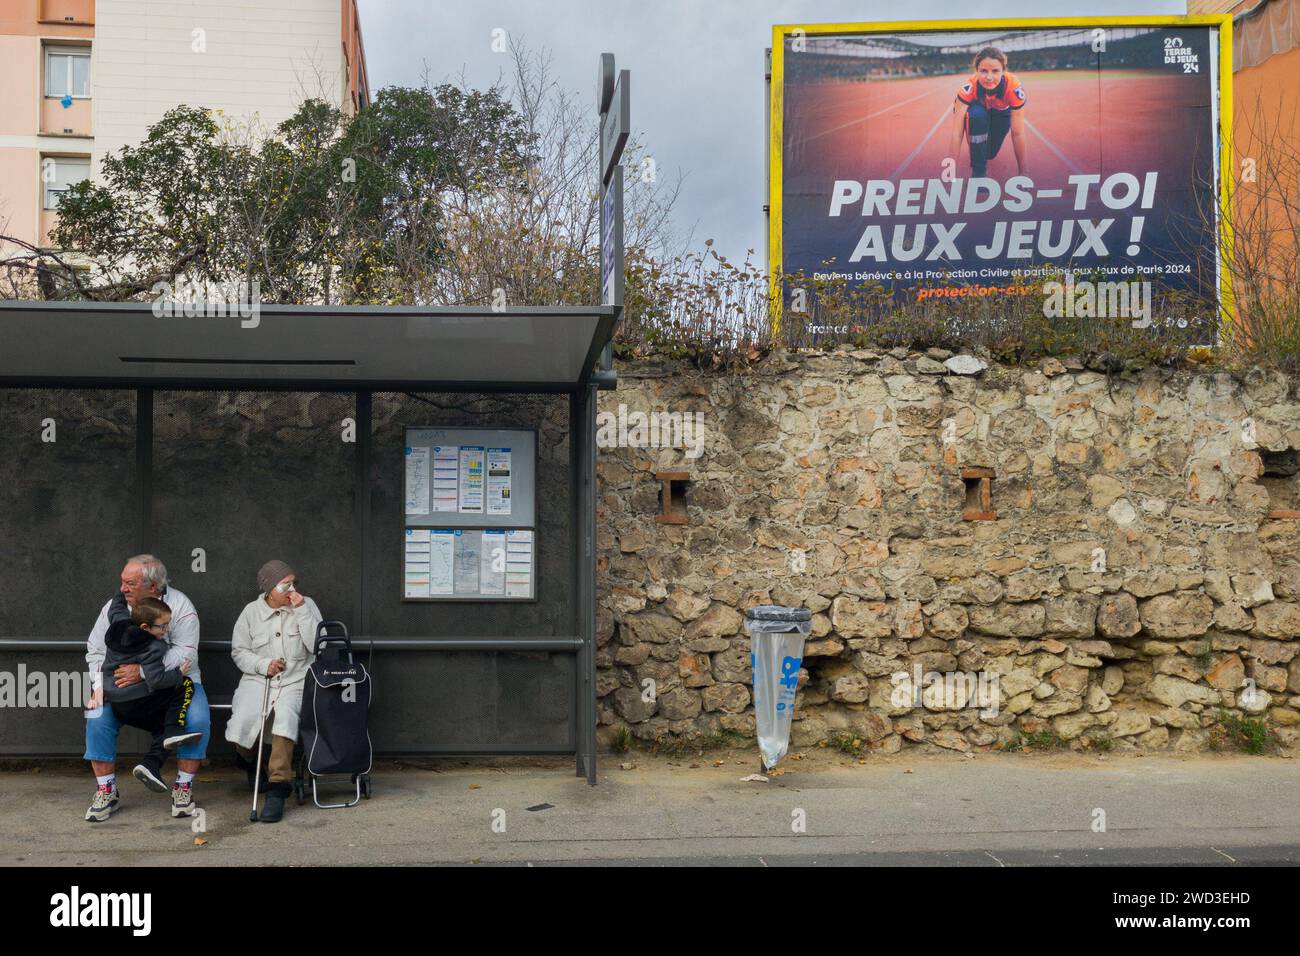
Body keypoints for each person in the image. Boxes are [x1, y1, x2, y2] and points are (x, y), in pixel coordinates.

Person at [84, 555, 209, 822]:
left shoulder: (181, 606)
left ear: (153, 587)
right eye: (122, 582)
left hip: (176, 681)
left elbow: (187, 654)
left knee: (197, 719)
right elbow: (95, 650)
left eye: (130, 583)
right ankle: (107, 791)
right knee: (96, 716)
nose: (123, 589)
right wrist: (98, 687)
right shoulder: (114, 607)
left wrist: (142, 672)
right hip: (117, 683)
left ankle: (183, 787)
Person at [226, 560, 322, 823]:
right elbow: (239, 651)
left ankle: (278, 789)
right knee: (244, 723)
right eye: (285, 585)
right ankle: (250, 763)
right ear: (269, 588)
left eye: (294, 583)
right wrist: (262, 664)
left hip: (296, 678)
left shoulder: (306, 604)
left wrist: (301, 610)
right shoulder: (250, 612)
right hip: (259, 679)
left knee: (285, 719)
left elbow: (317, 646)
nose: (291, 589)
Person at [97, 593, 201, 753]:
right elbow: (156, 680)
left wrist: (121, 595)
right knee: (185, 686)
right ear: (145, 627)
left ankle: (150, 767)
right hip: (135, 702)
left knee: (161, 728)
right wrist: (178, 674)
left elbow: (116, 610)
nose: (166, 631)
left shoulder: (119, 624)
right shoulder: (152, 647)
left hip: (114, 698)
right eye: (163, 626)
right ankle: (173, 730)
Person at [947, 46, 1028, 179]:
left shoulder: (1013, 87)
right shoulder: (968, 88)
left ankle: (981, 150)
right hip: (978, 111)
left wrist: (1024, 172)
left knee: (989, 153)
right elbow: (957, 134)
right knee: (977, 118)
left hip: (1001, 113)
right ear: (977, 71)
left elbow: (1018, 133)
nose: (989, 77)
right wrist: (949, 172)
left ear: (1003, 71)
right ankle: (979, 172)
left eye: (995, 71)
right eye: (983, 71)